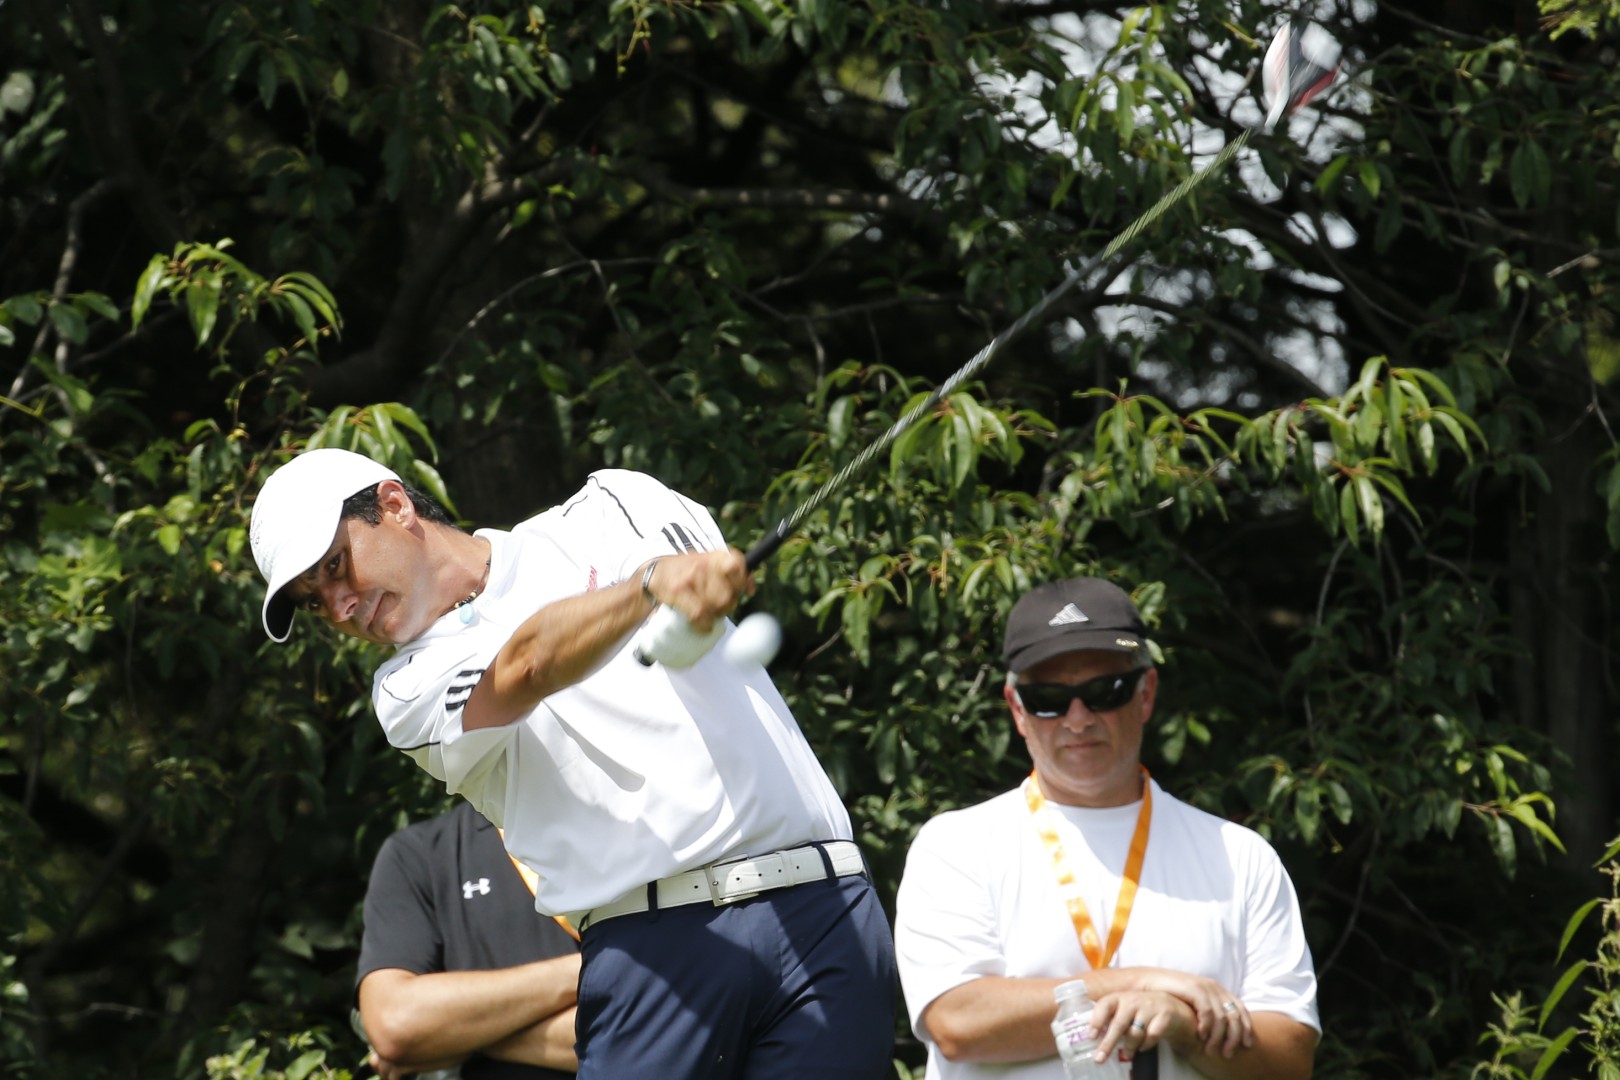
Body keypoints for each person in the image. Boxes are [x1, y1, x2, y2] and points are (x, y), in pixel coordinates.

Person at [248, 449, 896, 1079]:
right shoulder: (404, 690)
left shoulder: (608, 505)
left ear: (394, 505)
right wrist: (648, 586)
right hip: (655, 954)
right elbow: (526, 665)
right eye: (315, 601)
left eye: (335, 566)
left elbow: (685, 574)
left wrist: (680, 582)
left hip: (823, 910)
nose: (339, 606)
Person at [893, 577, 1319, 1080]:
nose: (1078, 719)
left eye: (1104, 692)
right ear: (1017, 710)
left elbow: (1291, 1059)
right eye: (1048, 698)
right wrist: (1139, 983)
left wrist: (1183, 1025)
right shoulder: (955, 846)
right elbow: (957, 1023)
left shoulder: (1240, 856)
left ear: (1146, 694)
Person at [355, 801, 581, 1079]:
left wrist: (457, 1040)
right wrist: (591, 970)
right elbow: (396, 1022)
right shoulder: (418, 854)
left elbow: (635, 1038)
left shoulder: (625, 829)